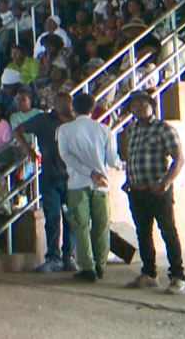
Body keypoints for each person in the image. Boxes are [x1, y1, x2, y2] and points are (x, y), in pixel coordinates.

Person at [123, 92, 185, 295]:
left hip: (158, 191)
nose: (140, 109)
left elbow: (179, 159)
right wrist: (128, 181)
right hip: (137, 191)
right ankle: (149, 274)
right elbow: (132, 158)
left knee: (168, 231)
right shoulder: (131, 130)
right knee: (143, 233)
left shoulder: (163, 129)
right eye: (135, 106)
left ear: (151, 106)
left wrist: (165, 182)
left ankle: (178, 277)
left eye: (144, 105)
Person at [58, 92, 120, 282]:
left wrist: (87, 172)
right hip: (101, 184)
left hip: (77, 183)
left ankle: (87, 267)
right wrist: (118, 165)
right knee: (101, 225)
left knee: (81, 225)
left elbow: (66, 157)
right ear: (93, 109)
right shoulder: (104, 130)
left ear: (73, 108)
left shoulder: (64, 130)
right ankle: (101, 265)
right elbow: (112, 160)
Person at [14, 93, 77, 273]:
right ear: (55, 105)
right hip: (50, 175)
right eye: (61, 103)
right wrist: (28, 149)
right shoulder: (43, 120)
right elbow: (18, 129)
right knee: (51, 217)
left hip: (72, 176)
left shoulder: (75, 122)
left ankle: (69, 256)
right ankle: (53, 256)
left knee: (71, 218)